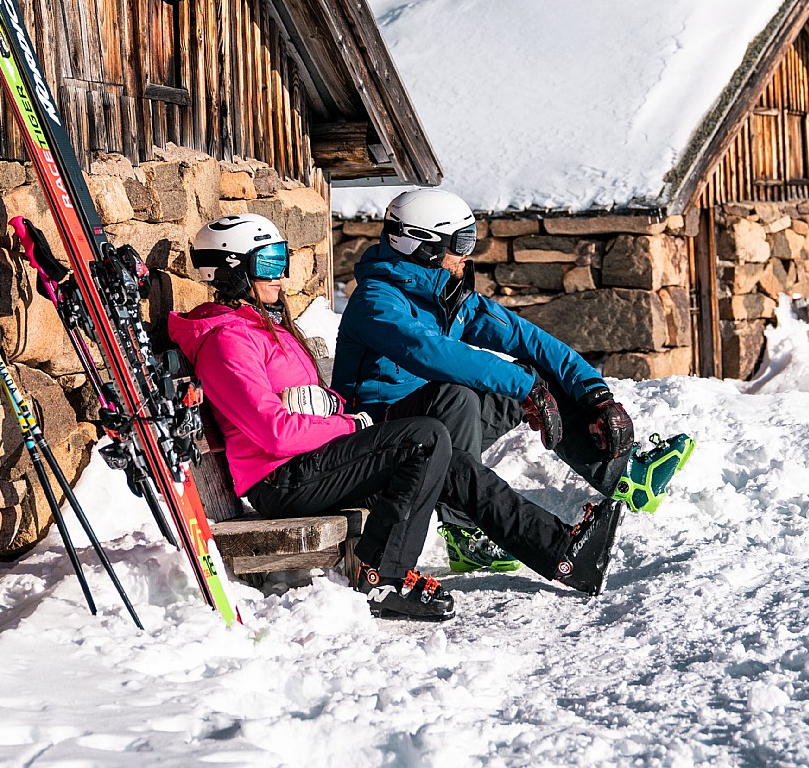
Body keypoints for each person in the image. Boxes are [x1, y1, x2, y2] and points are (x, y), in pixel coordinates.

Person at [171, 213, 624, 621]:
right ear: (232, 271)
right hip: (283, 481)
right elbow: (274, 431)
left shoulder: (262, 327)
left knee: (445, 450)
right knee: (424, 438)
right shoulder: (228, 340)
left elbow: (299, 405)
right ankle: (384, 577)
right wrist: (353, 424)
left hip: (313, 462)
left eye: (282, 259)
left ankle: (564, 553)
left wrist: (326, 405)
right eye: (268, 264)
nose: (282, 275)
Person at [333, 189, 695, 575]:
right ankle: (464, 533)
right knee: (457, 395)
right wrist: (522, 386)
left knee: (537, 375)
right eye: (460, 243)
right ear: (423, 245)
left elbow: (528, 339)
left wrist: (596, 394)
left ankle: (623, 475)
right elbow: (431, 352)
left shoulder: (443, 297)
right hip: (380, 451)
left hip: (434, 433)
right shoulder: (376, 302)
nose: (468, 254)